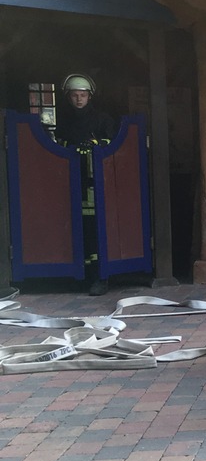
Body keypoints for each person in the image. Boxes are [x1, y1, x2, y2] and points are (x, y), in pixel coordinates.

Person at [55, 73, 119, 296]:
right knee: (76, 229)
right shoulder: (64, 122)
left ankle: (100, 277)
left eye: (82, 95)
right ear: (68, 97)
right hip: (72, 183)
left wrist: (96, 145)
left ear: (90, 97)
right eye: (75, 96)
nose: (79, 100)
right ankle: (79, 276)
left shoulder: (102, 119)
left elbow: (113, 146)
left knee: (98, 229)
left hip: (97, 184)